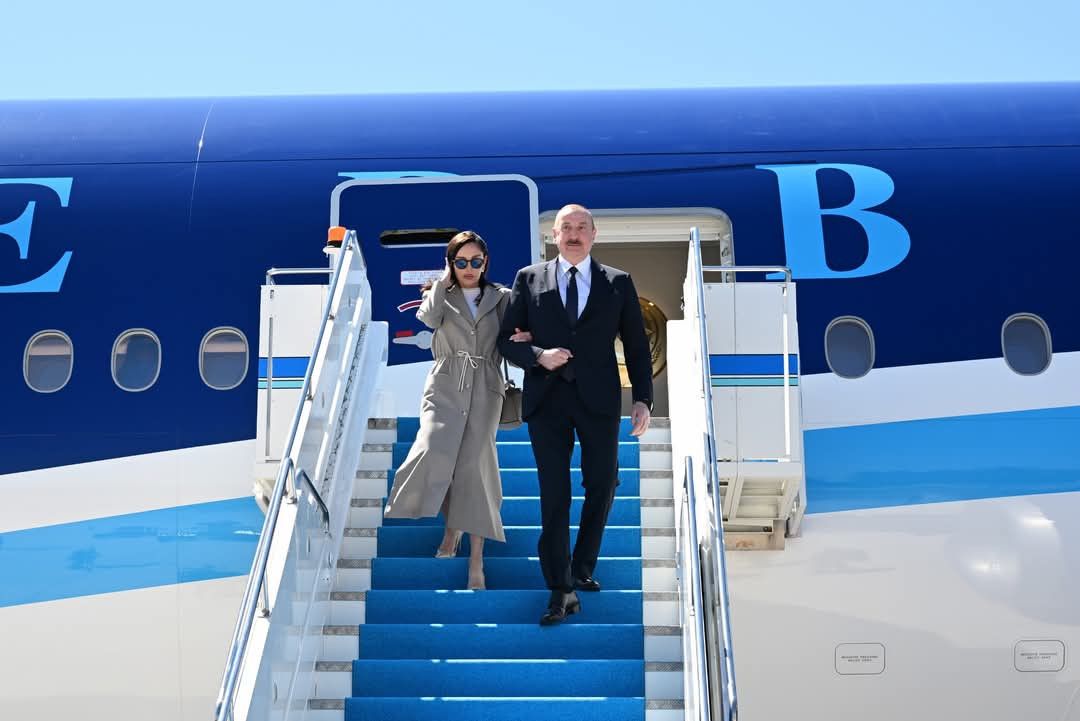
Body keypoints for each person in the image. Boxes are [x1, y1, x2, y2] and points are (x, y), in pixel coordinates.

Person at [498, 204, 653, 625]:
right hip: (547, 401)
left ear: (594, 235)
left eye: (582, 227)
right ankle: (560, 587)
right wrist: (538, 354)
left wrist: (643, 398)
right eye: (566, 227)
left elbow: (636, 345)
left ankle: (582, 565)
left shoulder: (618, 282)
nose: (573, 234)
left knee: (602, 482)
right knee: (555, 494)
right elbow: (505, 341)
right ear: (554, 234)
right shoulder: (529, 278)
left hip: (598, 400)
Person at [384, 231, 530, 590]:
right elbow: (428, 319)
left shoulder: (502, 298)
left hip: (486, 386)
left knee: (474, 467)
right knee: (434, 449)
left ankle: (475, 559)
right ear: (450, 263)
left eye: (475, 261)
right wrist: (443, 281)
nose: (469, 267)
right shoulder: (439, 295)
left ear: (486, 262)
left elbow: (516, 337)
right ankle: (449, 528)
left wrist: (526, 339)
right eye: (460, 261)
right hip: (446, 383)